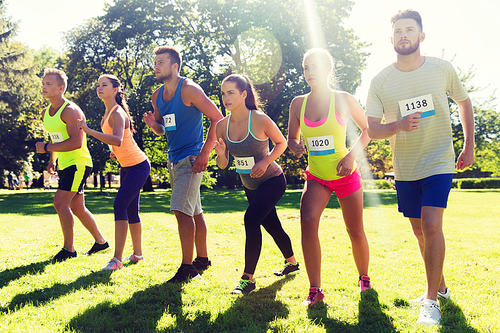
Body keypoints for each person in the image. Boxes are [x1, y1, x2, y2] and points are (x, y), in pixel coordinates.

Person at [365, 9, 474, 326]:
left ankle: (430, 302)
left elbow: (464, 102)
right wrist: (397, 125)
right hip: (405, 167)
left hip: (439, 159)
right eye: (398, 31)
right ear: (391, 39)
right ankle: (440, 289)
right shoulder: (381, 81)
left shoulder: (442, 69)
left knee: (430, 224)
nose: (403, 35)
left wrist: (468, 144)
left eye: (409, 30)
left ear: (421, 36)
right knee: (418, 230)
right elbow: (372, 128)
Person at [287, 48, 371, 306]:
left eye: (314, 67)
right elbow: (292, 138)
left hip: (346, 174)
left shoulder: (343, 98)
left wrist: (351, 157)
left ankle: (364, 278)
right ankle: (315, 289)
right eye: (305, 68)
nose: (309, 72)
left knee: (355, 230)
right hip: (317, 177)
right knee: (308, 221)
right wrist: (295, 145)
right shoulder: (298, 103)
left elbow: (368, 130)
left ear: (327, 69)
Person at [143, 46, 223, 283]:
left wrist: (205, 152)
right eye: (155, 62)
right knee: (194, 211)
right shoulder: (156, 96)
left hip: (191, 158)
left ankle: (188, 267)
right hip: (173, 160)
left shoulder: (188, 89)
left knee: (180, 210)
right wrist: (151, 124)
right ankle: (202, 259)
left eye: (161, 62)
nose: (155, 66)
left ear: (175, 66)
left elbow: (217, 117)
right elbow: (162, 129)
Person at [215, 74, 299, 294]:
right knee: (272, 225)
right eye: (223, 93)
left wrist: (265, 160)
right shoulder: (222, 126)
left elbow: (281, 143)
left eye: (231, 92)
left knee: (251, 219)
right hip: (250, 185)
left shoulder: (259, 119)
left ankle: (247, 279)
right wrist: (221, 154)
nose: (226, 98)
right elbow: (223, 165)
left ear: (244, 94)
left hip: (272, 180)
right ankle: (292, 263)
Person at [77, 74, 151, 271]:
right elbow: (119, 142)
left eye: (104, 85)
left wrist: (88, 130)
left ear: (115, 89)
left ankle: (117, 259)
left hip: (138, 166)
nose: (99, 88)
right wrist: (114, 153)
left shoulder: (117, 113)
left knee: (120, 204)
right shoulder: (108, 112)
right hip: (127, 166)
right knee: (131, 210)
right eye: (98, 85)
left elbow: (117, 139)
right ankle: (137, 255)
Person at [35, 68, 109, 262]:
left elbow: (76, 142)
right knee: (77, 207)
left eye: (49, 84)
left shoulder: (70, 110)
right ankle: (101, 242)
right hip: (65, 163)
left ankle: (69, 249)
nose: (44, 86)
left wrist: (46, 147)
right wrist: (52, 159)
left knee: (60, 202)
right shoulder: (46, 113)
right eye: (43, 83)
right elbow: (56, 138)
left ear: (61, 88)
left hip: (79, 163)